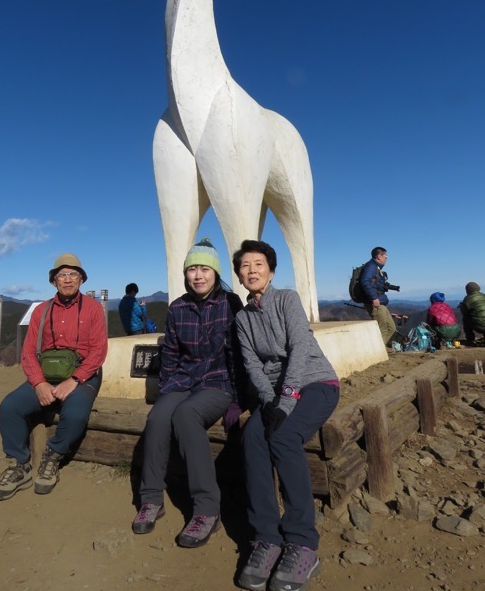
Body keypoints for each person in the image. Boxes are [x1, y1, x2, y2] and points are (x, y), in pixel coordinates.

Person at [232, 239, 339, 591]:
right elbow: (252, 366)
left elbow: (299, 348)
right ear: (239, 274)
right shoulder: (243, 318)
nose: (252, 270)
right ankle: (266, 538)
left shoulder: (287, 299)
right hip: (276, 393)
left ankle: (302, 542)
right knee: (251, 439)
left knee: (283, 436)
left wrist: (287, 400)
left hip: (315, 382)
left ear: (271, 270)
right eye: (245, 265)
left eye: (258, 264)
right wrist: (268, 400)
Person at [132, 237, 243, 548]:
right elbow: (170, 354)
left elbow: (238, 353)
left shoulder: (230, 304)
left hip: (217, 382)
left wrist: (238, 397)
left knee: (186, 414)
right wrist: (167, 388)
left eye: (204, 269)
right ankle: (151, 497)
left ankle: (207, 509)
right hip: (181, 381)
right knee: (158, 418)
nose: (198, 275)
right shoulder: (177, 308)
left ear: (216, 273)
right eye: (192, 269)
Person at [0, 253, 108, 501]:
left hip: (81, 375)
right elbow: (29, 352)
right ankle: (19, 465)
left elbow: (98, 351)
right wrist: (39, 383)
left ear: (81, 280)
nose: (67, 280)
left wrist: (74, 380)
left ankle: (52, 456)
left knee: (75, 413)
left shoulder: (93, 308)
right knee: (10, 407)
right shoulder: (41, 310)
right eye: (62, 275)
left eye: (73, 274)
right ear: (53, 281)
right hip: (45, 373)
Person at [360, 247, 397, 347]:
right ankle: (376, 351)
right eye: (386, 256)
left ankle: (379, 349)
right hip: (376, 303)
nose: (386, 259)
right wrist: (374, 298)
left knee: (391, 328)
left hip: (381, 303)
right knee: (383, 330)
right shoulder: (371, 266)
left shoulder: (376, 268)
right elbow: (364, 281)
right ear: (379, 256)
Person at [459, 282, 485, 346]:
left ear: (468, 290)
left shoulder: (468, 298)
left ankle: (470, 340)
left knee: (466, 319)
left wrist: (461, 306)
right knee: (483, 318)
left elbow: (465, 312)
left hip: (480, 326)